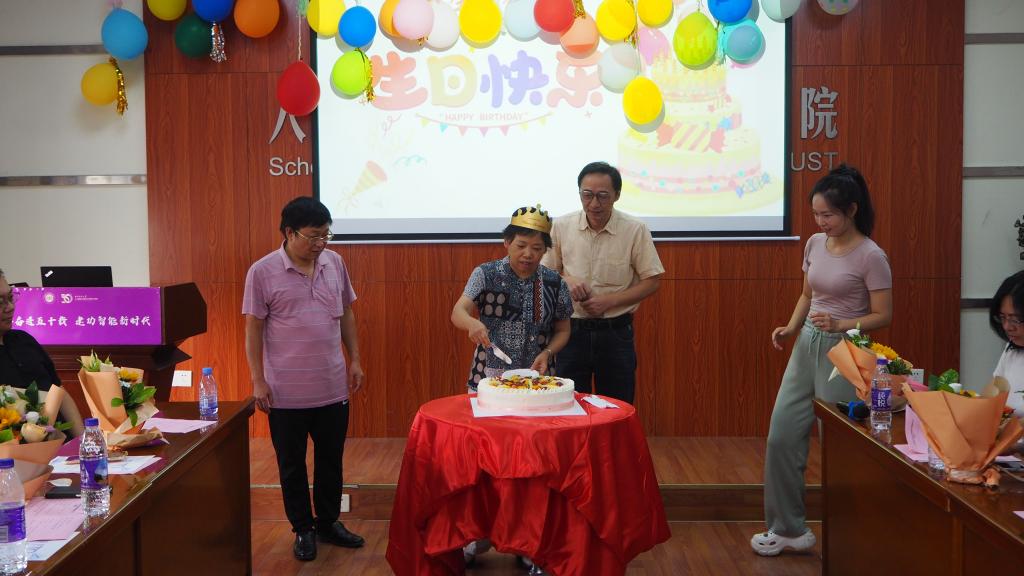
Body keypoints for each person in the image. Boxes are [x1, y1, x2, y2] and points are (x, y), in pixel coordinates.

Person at [751, 164, 893, 556]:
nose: (820, 222)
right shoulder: (815, 243)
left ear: (851, 210)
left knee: (840, 447)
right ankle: (787, 529)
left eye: (827, 214)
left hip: (846, 350)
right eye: (816, 214)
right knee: (782, 435)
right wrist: (790, 327)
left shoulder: (871, 255)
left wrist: (842, 323)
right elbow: (807, 295)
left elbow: (883, 315)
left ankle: (854, 535)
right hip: (807, 344)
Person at [243, 197, 366, 562]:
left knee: (331, 460)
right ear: (289, 232)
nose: (320, 244)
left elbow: (346, 312)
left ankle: (328, 523)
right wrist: (258, 380)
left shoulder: (334, 262)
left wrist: (355, 359)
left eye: (326, 235)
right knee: (292, 464)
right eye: (313, 236)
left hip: (331, 384)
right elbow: (253, 328)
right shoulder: (262, 271)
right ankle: (303, 529)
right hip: (286, 391)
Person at [450, 205, 573, 568]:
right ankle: (474, 539)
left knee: (533, 469)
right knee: (483, 465)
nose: (528, 255)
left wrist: (548, 352)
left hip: (538, 388)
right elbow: (458, 311)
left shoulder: (553, 282)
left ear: (545, 250)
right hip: (487, 384)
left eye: (536, 248)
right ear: (506, 243)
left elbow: (564, 329)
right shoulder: (485, 274)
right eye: (521, 246)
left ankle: (528, 544)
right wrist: (471, 324)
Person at [540, 161, 664, 404]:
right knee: (569, 406)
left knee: (616, 406)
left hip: (616, 333)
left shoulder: (635, 229)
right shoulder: (561, 226)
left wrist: (609, 302)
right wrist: (566, 280)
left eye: (602, 196)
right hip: (570, 332)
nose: (594, 204)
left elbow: (652, 281)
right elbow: (543, 274)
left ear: (617, 195)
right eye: (587, 195)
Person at [0, 269, 85, 437]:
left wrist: (83, 440)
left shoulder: (24, 340)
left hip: (62, 442)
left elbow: (58, 392)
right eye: (0, 302)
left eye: (10, 297)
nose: (10, 307)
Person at [990, 271, 1024, 416]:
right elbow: (992, 398)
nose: (1007, 327)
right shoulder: (1011, 350)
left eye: (1015, 319)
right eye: (1003, 317)